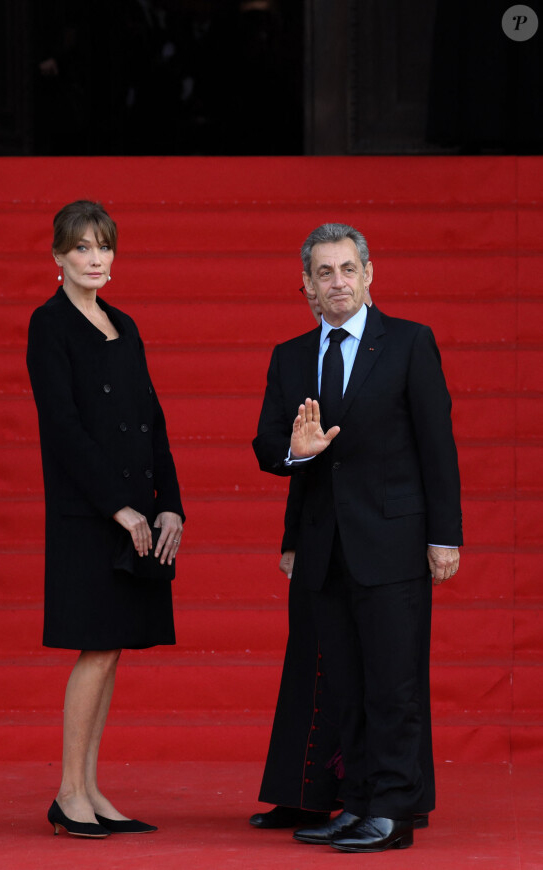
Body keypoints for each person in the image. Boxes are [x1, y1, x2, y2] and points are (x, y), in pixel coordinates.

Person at [253, 223, 462, 853]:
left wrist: (445, 537)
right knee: (344, 683)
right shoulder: (290, 356)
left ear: (370, 274)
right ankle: (360, 803)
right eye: (324, 273)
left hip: (394, 543)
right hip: (324, 550)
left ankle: (394, 811)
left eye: (348, 269)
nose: (337, 283)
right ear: (308, 289)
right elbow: (267, 445)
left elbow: (438, 448)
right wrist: (293, 451)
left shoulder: (407, 343)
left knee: (393, 683)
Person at [26, 200, 184, 839]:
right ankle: (67, 792)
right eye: (82, 247)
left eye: (103, 247)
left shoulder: (126, 323)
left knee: (112, 648)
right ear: (58, 257)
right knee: (94, 647)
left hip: (136, 512)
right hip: (89, 514)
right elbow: (61, 428)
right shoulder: (50, 324)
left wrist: (168, 500)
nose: (95, 259)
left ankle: (89, 787)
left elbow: (154, 420)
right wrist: (116, 506)